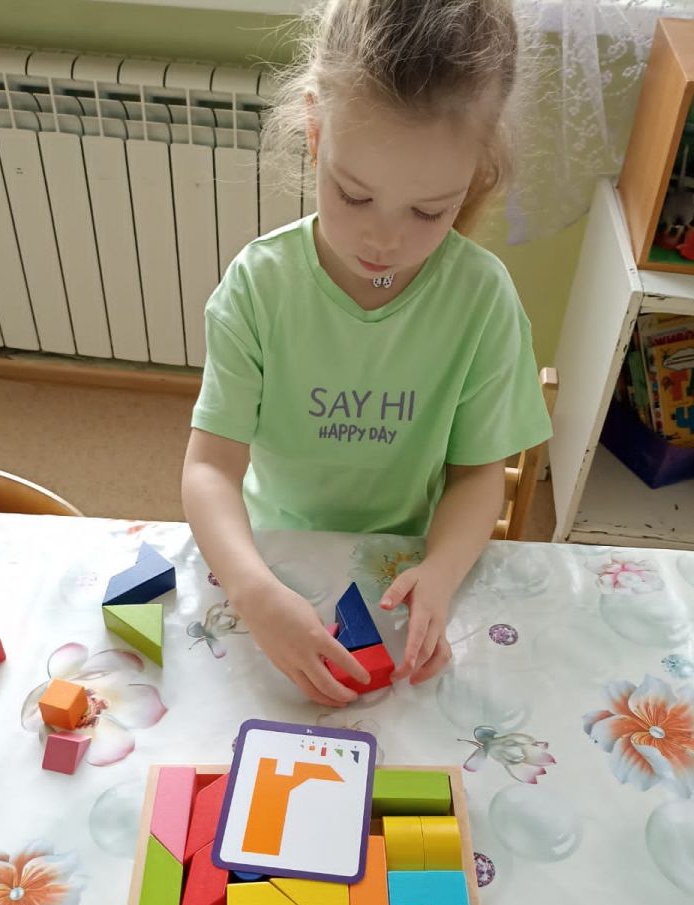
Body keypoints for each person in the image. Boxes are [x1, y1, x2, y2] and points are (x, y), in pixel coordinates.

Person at [182, 0, 551, 707]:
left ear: (477, 172)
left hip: (400, 563)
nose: (383, 241)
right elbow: (209, 468)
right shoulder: (260, 285)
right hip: (269, 550)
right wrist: (254, 591)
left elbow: (478, 475)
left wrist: (441, 570)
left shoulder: (480, 299)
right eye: (353, 195)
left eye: (428, 211)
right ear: (315, 132)